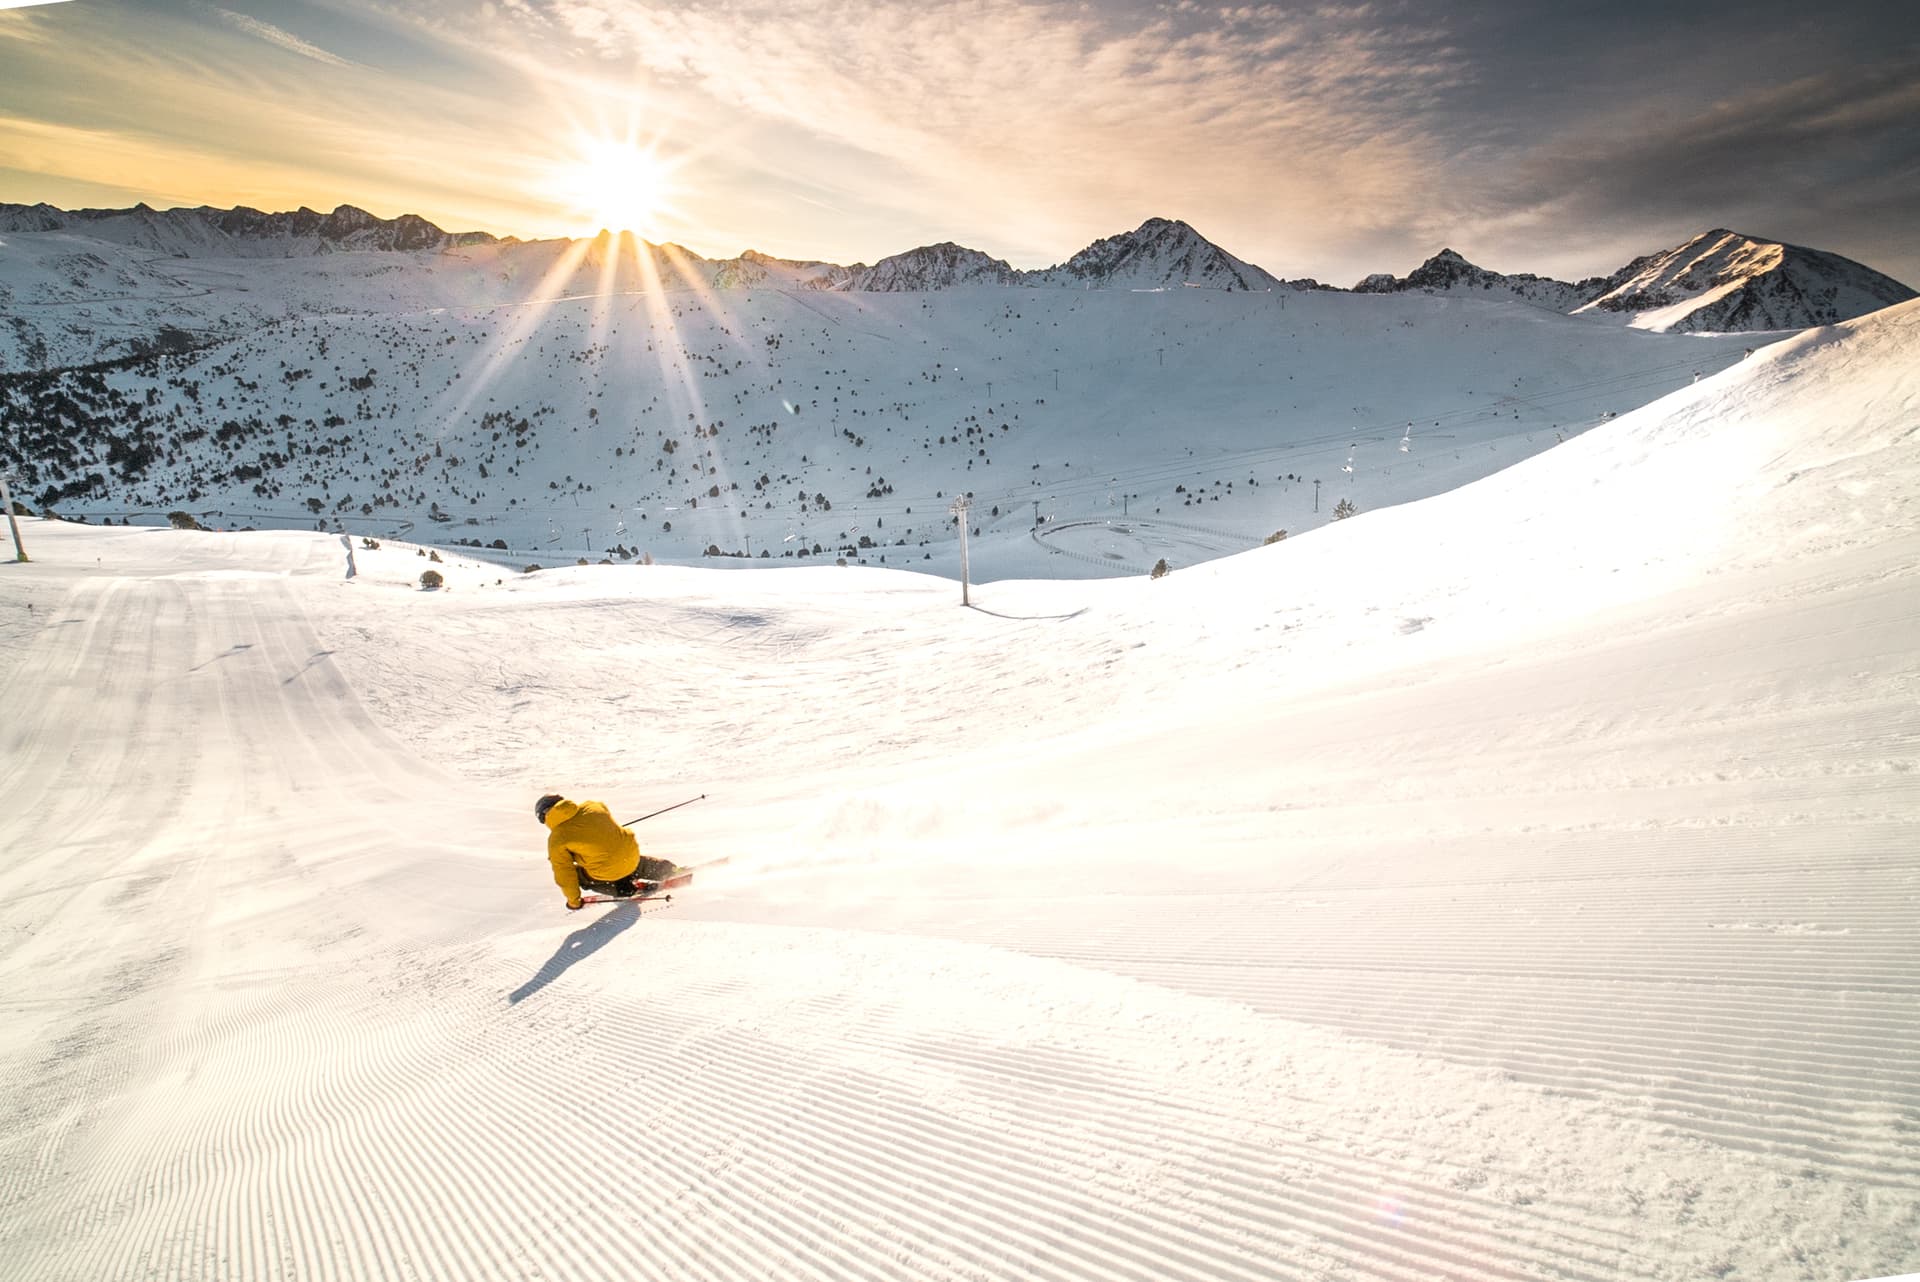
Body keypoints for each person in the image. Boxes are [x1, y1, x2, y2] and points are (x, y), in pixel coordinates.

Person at [536, 794, 679, 910]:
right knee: (621, 854)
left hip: (608, 872)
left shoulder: (556, 840)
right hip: (631, 856)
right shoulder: (592, 805)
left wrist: (574, 902)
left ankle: (624, 889)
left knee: (580, 874)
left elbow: (564, 874)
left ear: (545, 817)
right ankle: (668, 869)